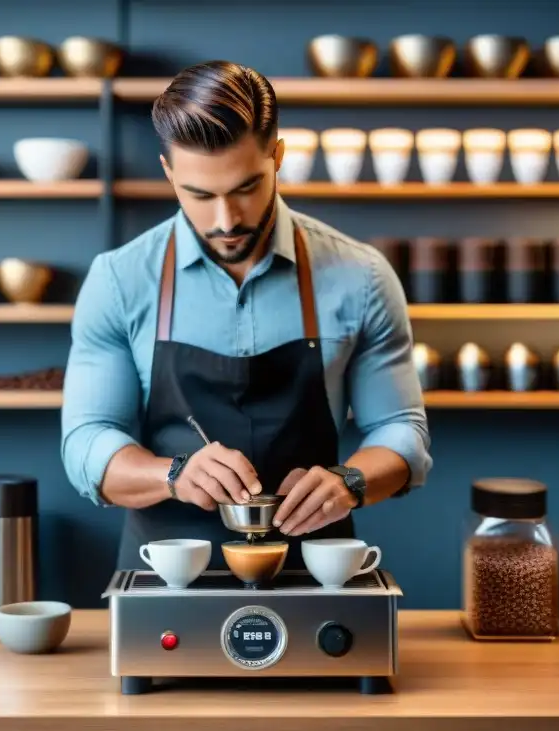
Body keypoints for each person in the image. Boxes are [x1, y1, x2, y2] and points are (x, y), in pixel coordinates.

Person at [61, 60, 432, 571]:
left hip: (315, 569)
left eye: (244, 188)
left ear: (277, 157)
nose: (225, 220)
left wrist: (350, 482)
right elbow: (86, 441)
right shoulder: (121, 281)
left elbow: (401, 431)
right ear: (169, 173)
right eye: (199, 195)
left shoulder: (360, 277)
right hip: (166, 573)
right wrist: (172, 474)